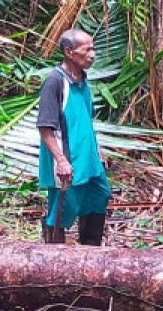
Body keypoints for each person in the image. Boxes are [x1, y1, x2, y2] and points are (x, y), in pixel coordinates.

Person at [37, 29, 110, 245]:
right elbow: (45, 127)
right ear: (69, 52)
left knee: (99, 196)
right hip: (68, 161)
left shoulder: (83, 80)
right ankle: (54, 259)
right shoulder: (55, 82)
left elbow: (84, 120)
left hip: (89, 161)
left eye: (93, 48)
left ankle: (90, 250)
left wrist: (97, 152)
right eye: (86, 49)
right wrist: (60, 160)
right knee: (62, 210)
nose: (92, 54)